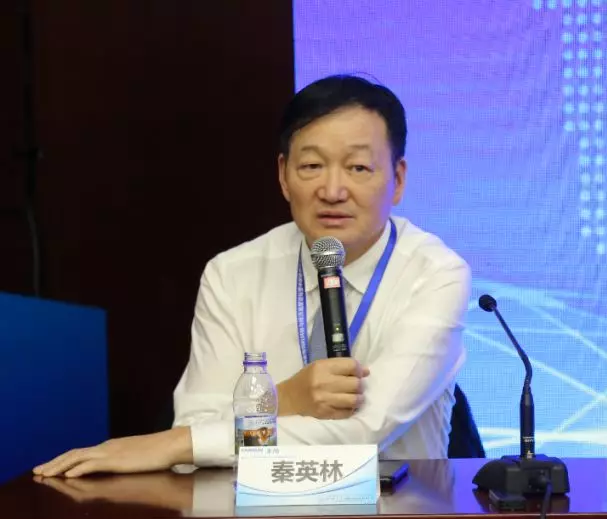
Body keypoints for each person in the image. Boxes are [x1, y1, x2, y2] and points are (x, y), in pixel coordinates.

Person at [36, 75, 471, 478]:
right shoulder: (233, 274)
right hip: (252, 516)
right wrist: (286, 398)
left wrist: (179, 443)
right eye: (312, 166)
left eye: (358, 168)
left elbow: (365, 431)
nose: (333, 191)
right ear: (283, 176)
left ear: (398, 180)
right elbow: (197, 423)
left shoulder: (436, 275)